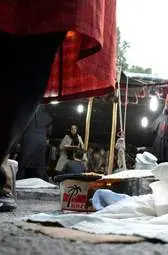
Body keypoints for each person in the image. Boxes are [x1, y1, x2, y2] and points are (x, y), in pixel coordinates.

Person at [0, 1, 116, 211]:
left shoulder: (76, 138)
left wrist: (78, 149)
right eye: (72, 128)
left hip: (41, 149)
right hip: (45, 153)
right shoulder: (64, 138)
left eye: (73, 128)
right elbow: (63, 147)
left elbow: (77, 148)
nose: (73, 129)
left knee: (51, 22)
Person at [16, 106, 52, 181]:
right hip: (41, 143)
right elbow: (49, 132)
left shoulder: (26, 114)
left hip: (27, 143)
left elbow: (18, 129)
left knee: (23, 166)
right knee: (39, 168)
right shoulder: (45, 115)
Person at [151, 92, 168, 163]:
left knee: (166, 159)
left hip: (167, 141)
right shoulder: (160, 115)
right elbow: (154, 129)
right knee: (158, 158)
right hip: (160, 140)